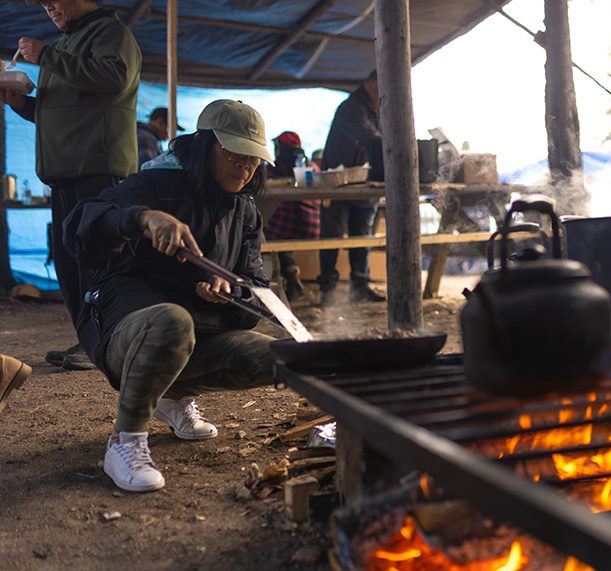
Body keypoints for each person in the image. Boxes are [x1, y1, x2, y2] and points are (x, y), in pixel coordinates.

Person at [62, 99, 276, 493]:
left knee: (276, 357)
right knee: (171, 322)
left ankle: (173, 397)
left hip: (198, 330)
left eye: (253, 159)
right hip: (126, 325)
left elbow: (257, 287)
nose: (245, 167)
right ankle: (124, 442)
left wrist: (232, 293)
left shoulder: (244, 212)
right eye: (234, 153)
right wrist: (143, 218)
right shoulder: (155, 184)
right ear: (204, 146)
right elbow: (83, 223)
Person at [0, 0, 141, 371]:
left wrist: (46, 56)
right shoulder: (66, 45)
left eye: (53, 0)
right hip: (65, 171)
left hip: (97, 167)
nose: (49, 9)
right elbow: (63, 110)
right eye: (44, 5)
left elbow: (113, 80)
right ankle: (91, 341)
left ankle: (109, 339)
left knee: (98, 258)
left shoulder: (111, 34)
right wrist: (21, 104)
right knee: (70, 260)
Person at [318, 74, 386, 305]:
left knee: (363, 236)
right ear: (368, 85)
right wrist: (396, 144)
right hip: (337, 182)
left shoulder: (378, 108)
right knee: (332, 237)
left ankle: (360, 286)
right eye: (380, 88)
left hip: (363, 181)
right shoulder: (351, 108)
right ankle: (327, 289)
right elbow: (368, 137)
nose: (382, 94)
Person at [265, 131, 320, 301]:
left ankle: (288, 272)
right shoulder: (309, 165)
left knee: (264, 232)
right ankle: (291, 274)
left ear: (281, 147)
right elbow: (308, 185)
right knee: (279, 231)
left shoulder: (276, 166)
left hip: (287, 224)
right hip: (313, 224)